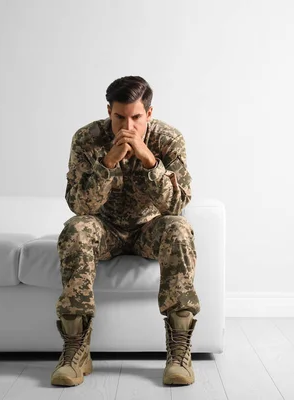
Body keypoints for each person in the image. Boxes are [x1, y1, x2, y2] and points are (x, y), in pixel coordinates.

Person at [50, 76, 200, 387]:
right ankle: (76, 350)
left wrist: (149, 161)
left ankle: (178, 351)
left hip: (149, 228)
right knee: (76, 229)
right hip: (104, 229)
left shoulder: (169, 139)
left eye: (135, 117)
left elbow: (176, 205)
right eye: (119, 117)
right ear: (109, 111)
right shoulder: (87, 138)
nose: (126, 127)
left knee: (179, 228)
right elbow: (80, 206)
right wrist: (108, 163)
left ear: (149, 112)